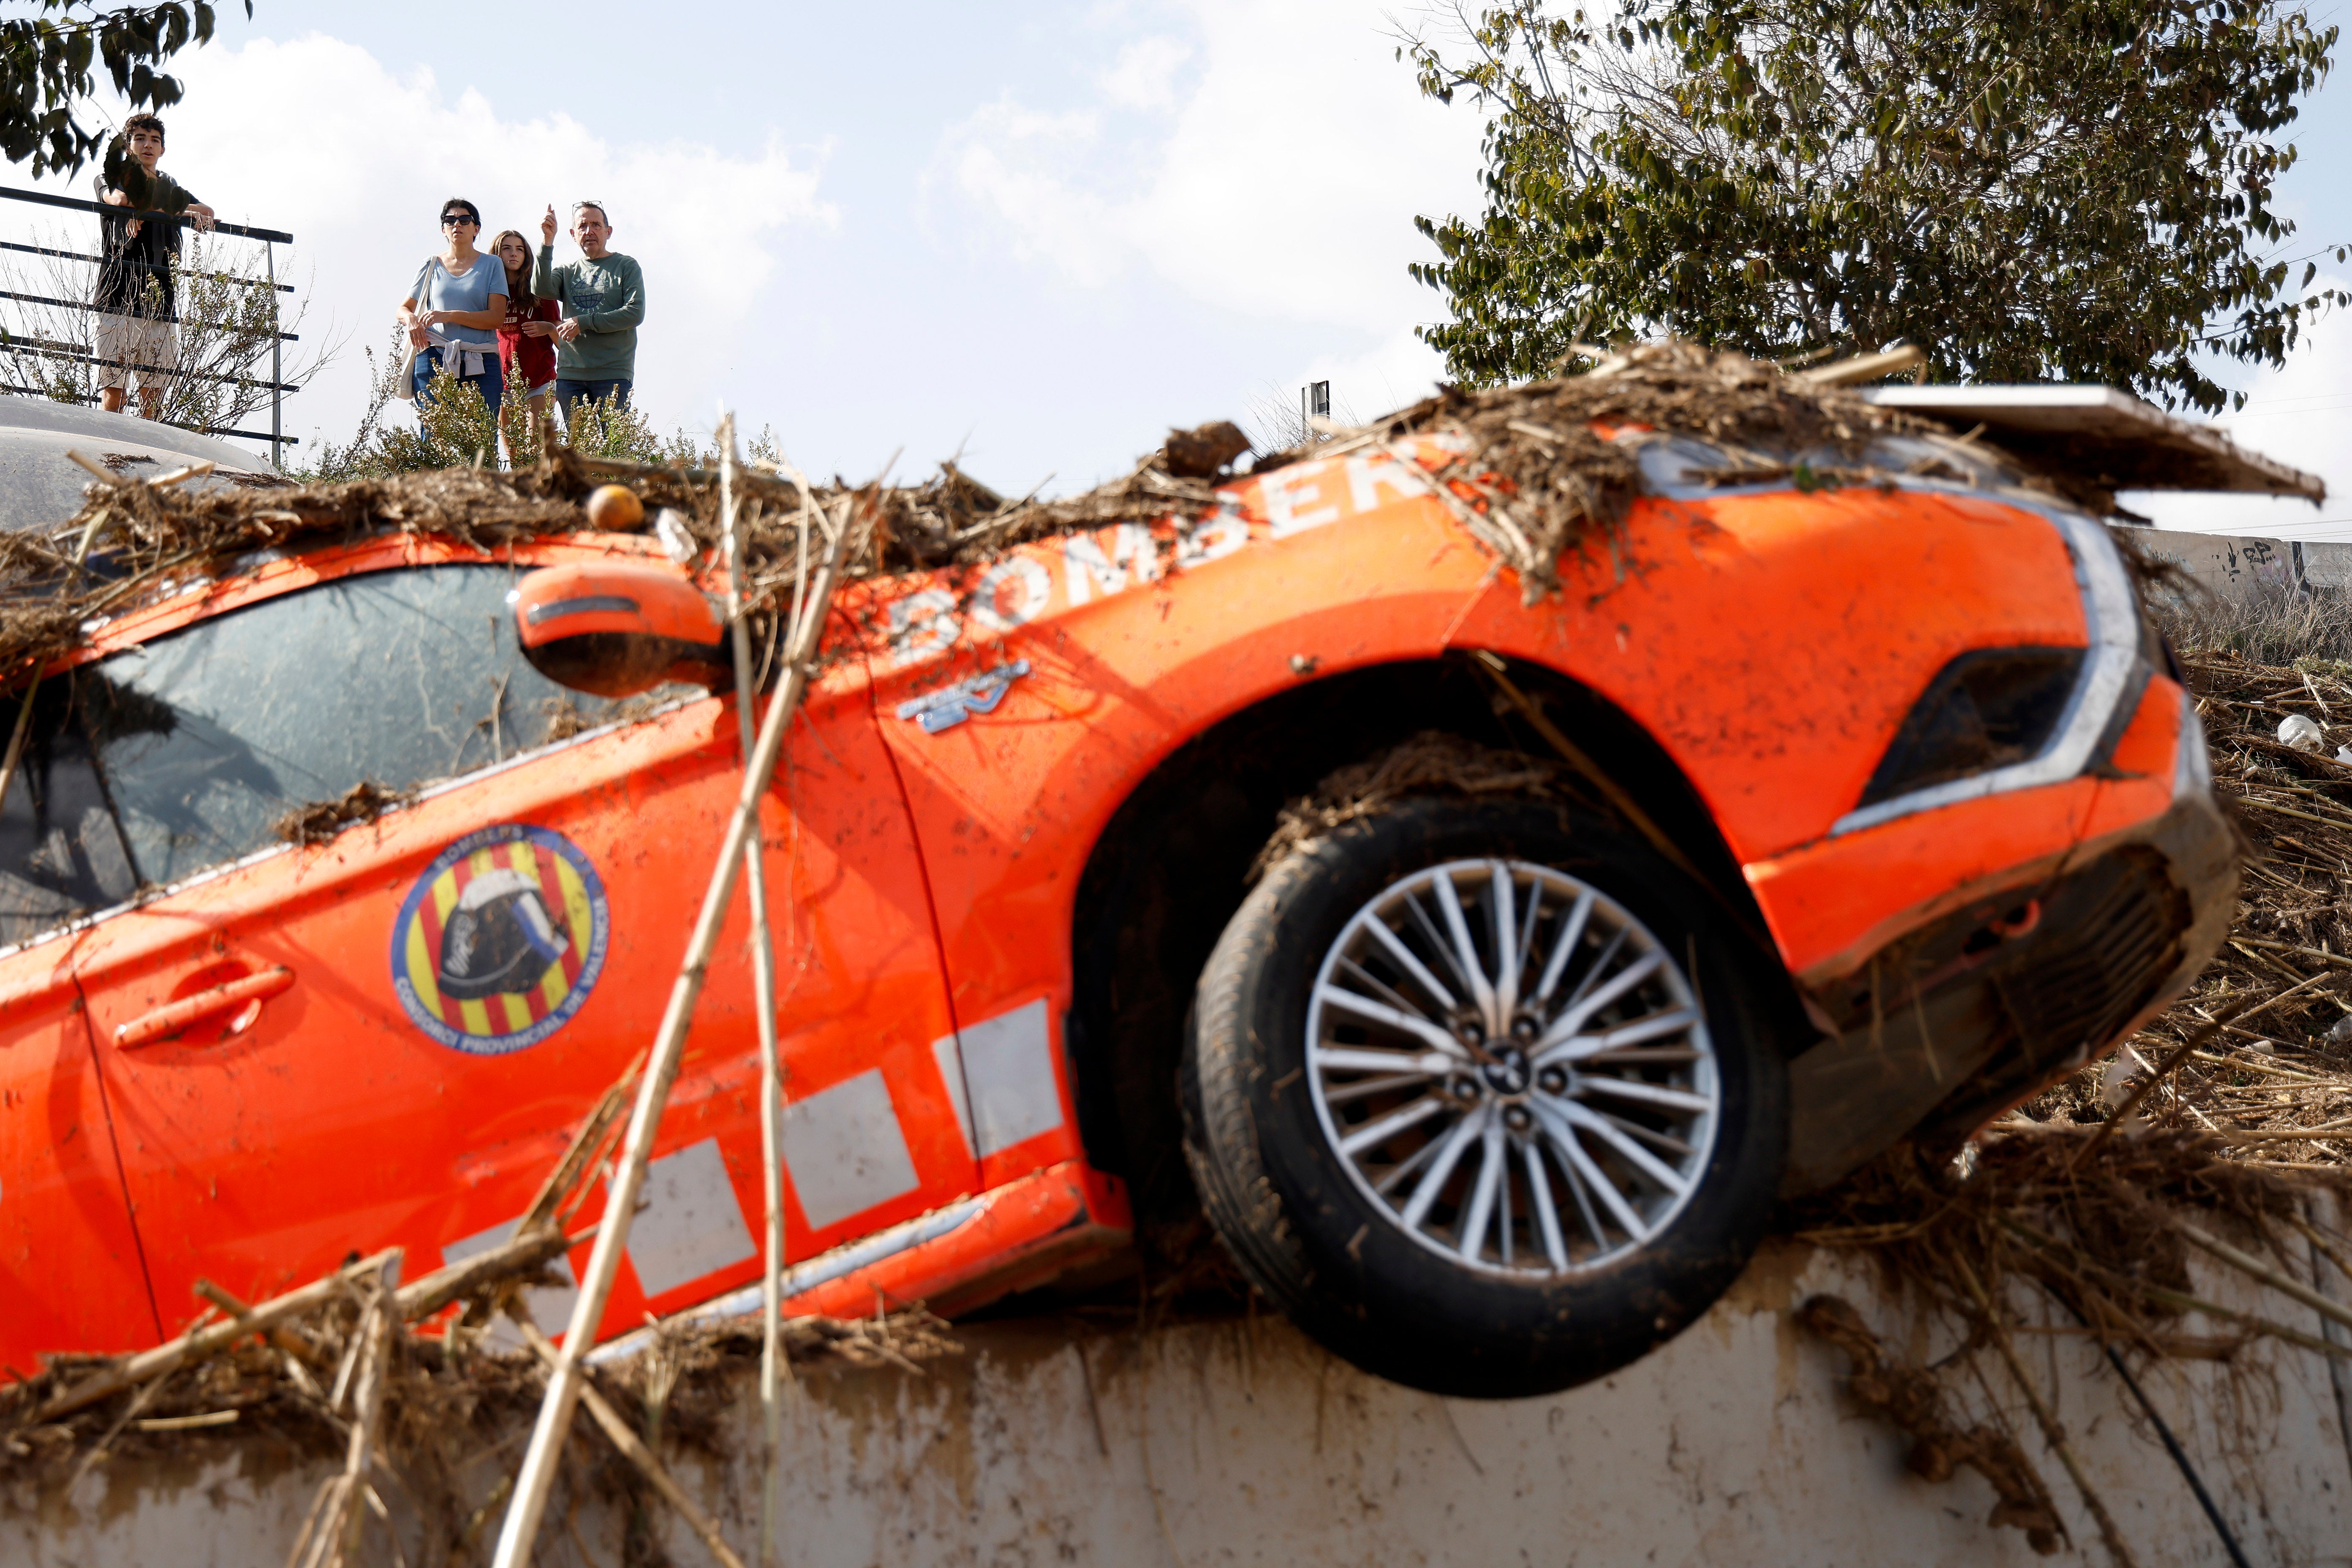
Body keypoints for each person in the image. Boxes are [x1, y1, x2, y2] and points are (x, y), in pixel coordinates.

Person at [91, 113, 215, 419]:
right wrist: (175, 210)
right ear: (128, 145)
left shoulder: (170, 186)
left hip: (161, 299)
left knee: (153, 401)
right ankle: (109, 455)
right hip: (116, 297)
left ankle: (145, 463)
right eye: (140, 138)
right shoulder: (109, 177)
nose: (148, 145)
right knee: (114, 397)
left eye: (155, 140)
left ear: (162, 149)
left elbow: (208, 214)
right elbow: (120, 200)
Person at [533, 201, 644, 425]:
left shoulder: (626, 266)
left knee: (613, 453)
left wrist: (584, 322)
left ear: (608, 231)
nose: (589, 231)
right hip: (571, 376)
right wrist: (548, 241)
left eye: (596, 225)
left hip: (612, 374)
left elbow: (634, 313)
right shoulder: (567, 272)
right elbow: (541, 288)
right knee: (580, 454)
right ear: (574, 235)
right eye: (583, 226)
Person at [396, 198, 507, 416]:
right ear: (443, 230)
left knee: (482, 437)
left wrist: (449, 316)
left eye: (465, 220)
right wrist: (412, 322)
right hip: (433, 359)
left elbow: (496, 318)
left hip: (481, 360)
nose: (457, 225)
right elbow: (404, 309)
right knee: (434, 437)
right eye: (450, 220)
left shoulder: (492, 264)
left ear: (476, 229)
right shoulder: (430, 265)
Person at [492, 228, 560, 430]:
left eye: (519, 249)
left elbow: (561, 337)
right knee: (514, 455)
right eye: (507, 248)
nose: (513, 253)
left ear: (526, 255)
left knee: (538, 446)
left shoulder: (539, 289)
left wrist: (547, 328)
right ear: (496, 254)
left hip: (541, 380)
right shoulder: (489, 292)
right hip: (503, 382)